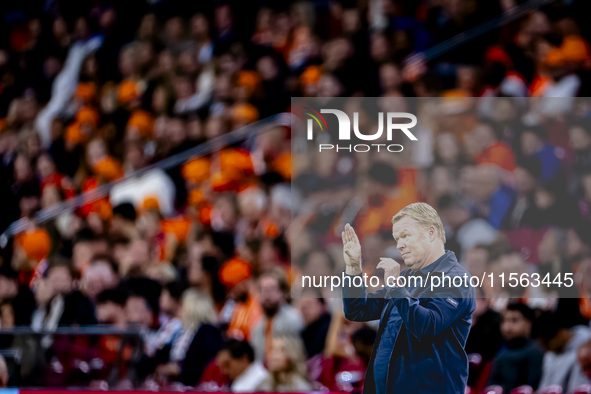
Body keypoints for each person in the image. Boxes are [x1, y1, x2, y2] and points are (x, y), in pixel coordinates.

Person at [342, 202, 476, 394]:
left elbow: (427, 326)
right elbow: (358, 309)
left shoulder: (455, 279)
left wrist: (396, 287)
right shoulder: (407, 278)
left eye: (405, 236)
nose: (399, 245)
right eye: (397, 239)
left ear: (431, 233)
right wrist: (354, 268)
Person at [487, 303, 544, 392]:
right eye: (504, 320)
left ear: (529, 324)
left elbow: (531, 388)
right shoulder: (501, 351)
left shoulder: (535, 351)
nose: (507, 326)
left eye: (514, 320)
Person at [250, 270, 303, 361]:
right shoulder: (257, 326)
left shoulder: (295, 318)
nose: (267, 295)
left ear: (283, 292)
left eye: (272, 289)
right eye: (263, 290)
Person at [536, 310, 591, 393]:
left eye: (546, 342)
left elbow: (579, 388)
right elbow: (544, 386)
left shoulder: (585, 349)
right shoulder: (549, 355)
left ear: (561, 332)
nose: (545, 348)